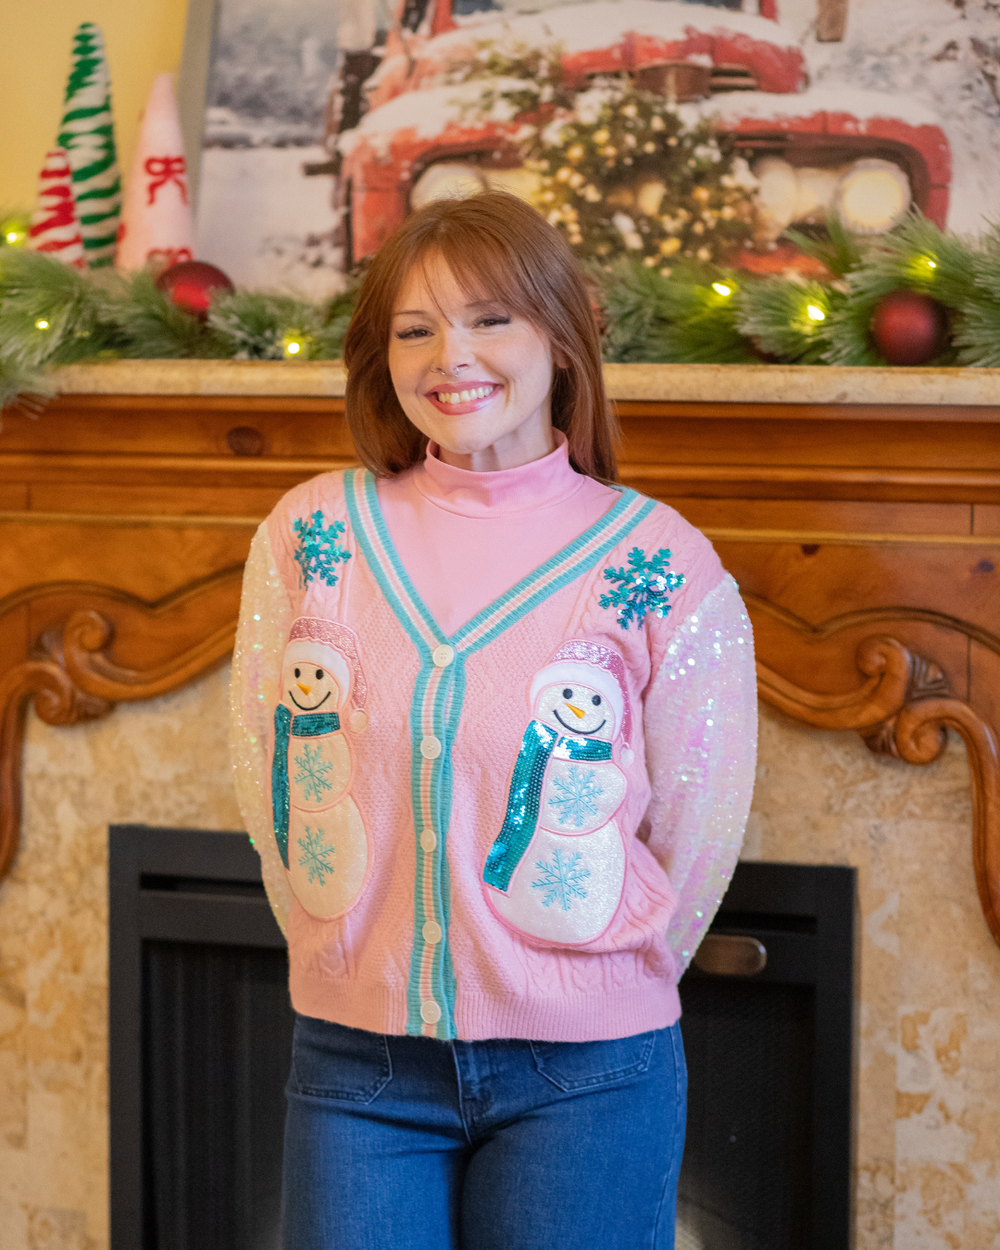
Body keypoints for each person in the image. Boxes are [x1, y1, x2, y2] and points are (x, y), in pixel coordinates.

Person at [230, 191, 757, 1250]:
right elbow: (269, 775)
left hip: (589, 1075)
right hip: (357, 1064)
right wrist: (341, 946)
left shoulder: (653, 559)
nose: (449, 355)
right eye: (413, 329)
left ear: (559, 337)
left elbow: (701, 823)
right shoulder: (311, 534)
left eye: (488, 319)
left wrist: (594, 965)